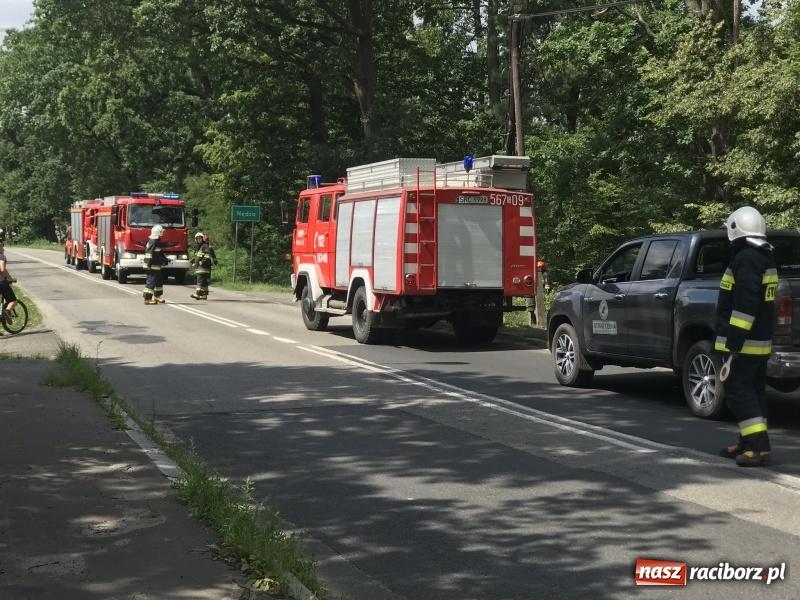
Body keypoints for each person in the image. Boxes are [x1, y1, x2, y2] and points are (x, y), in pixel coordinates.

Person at [715, 206, 777, 467]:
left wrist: (734, 343)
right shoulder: (763, 256)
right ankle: (748, 441)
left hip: (744, 343)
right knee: (753, 392)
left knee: (738, 392)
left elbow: (745, 304)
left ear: (735, 228)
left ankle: (757, 448)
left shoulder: (747, 258)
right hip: (759, 340)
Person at [143, 225, 167, 305]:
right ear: (159, 232)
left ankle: (157, 296)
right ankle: (147, 298)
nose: (162, 233)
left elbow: (157, 253)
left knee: (159, 282)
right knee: (151, 282)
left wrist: (163, 259)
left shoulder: (156, 241)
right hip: (152, 267)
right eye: (162, 231)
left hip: (156, 266)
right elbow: (149, 254)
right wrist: (148, 264)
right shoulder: (153, 241)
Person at [0, 240, 19, 324]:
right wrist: (11, 279)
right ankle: (7, 311)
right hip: (1, 283)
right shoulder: (1, 257)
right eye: (2, 247)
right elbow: (3, 269)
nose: (3, 249)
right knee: (13, 301)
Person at [191, 232, 213, 300]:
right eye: (198, 238)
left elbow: (208, 255)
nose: (199, 239)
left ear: (202, 239)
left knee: (200, 281)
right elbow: (198, 256)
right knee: (204, 282)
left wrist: (202, 262)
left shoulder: (204, 246)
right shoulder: (199, 247)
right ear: (196, 239)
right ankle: (204, 295)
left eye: (200, 238)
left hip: (203, 268)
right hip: (201, 268)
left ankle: (198, 294)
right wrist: (193, 261)